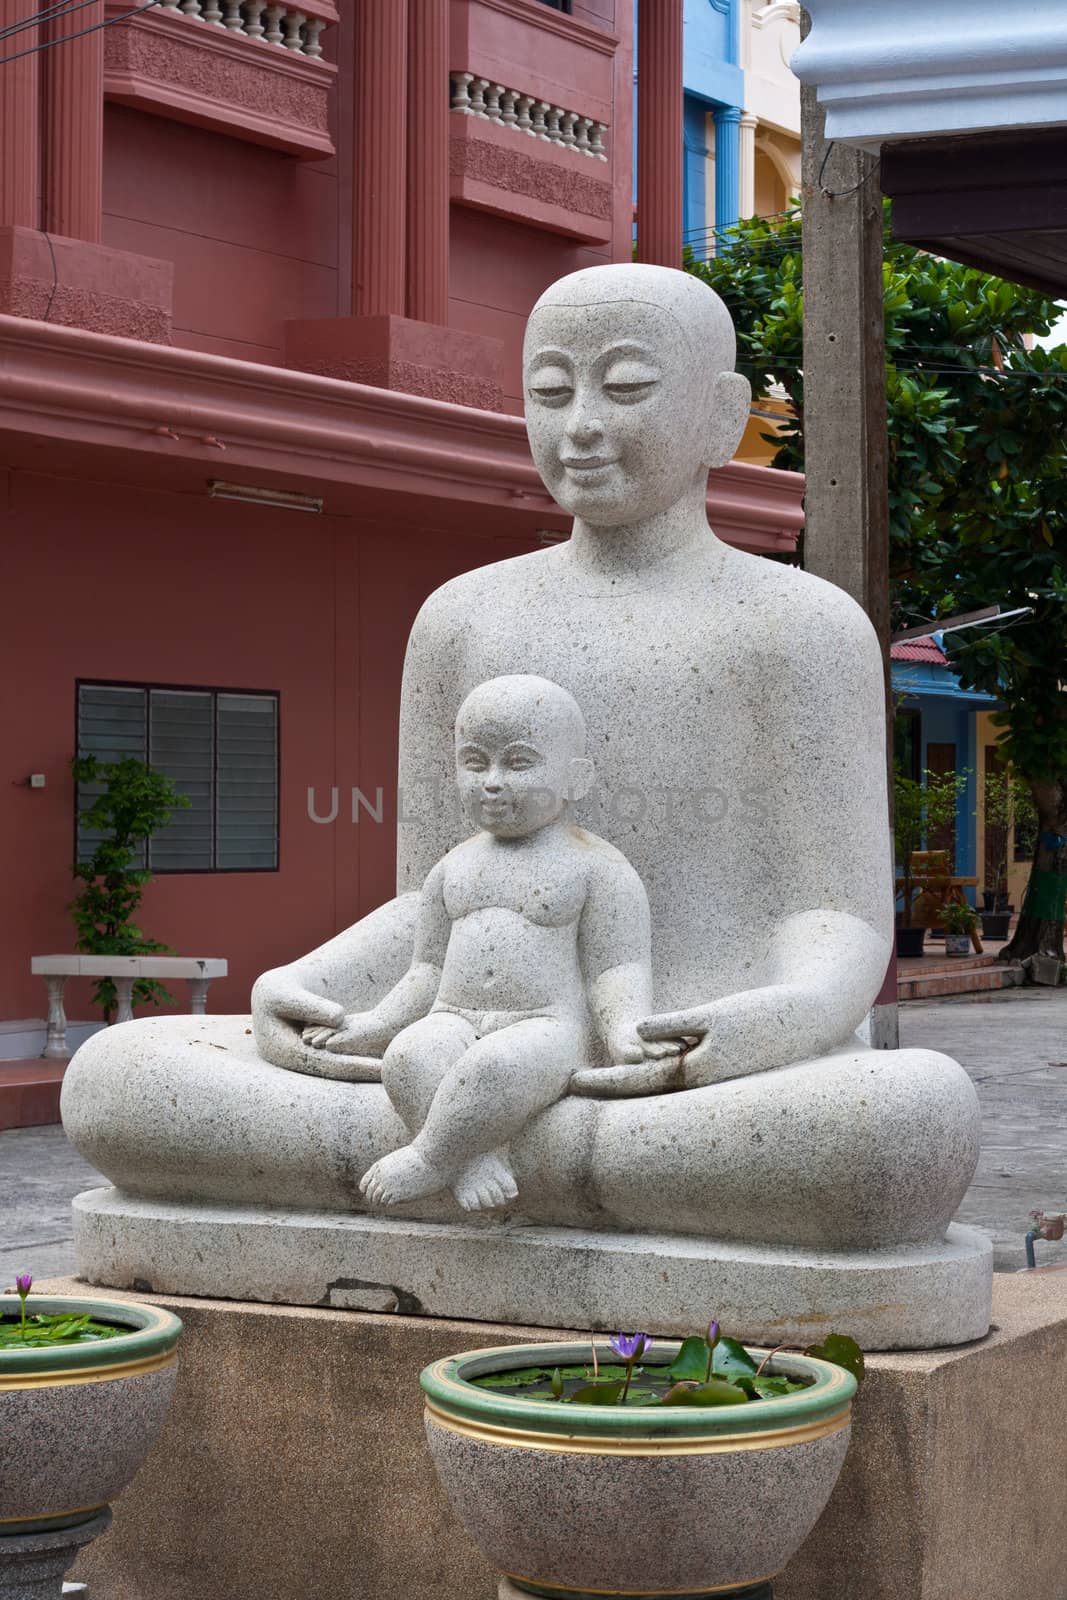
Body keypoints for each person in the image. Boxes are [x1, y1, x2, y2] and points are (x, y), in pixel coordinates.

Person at [302, 675, 680, 1211]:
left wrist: (623, 1030)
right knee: (408, 1056)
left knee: (497, 1068)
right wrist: (377, 1024)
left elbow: (615, 967)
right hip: (453, 1014)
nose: (492, 782)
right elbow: (426, 971)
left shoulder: (598, 869)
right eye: (476, 763)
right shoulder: (452, 867)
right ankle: (477, 1157)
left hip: (547, 1025)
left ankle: (430, 1158)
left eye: (519, 764)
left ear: (578, 778)